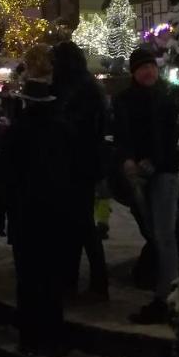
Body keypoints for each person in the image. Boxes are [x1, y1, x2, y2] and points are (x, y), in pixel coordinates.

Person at [0, 47, 82, 357]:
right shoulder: (64, 130)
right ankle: (53, 335)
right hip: (55, 212)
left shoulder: (17, 132)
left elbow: (5, 175)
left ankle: (31, 337)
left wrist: (0, 211)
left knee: (28, 278)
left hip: (25, 213)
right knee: (51, 277)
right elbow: (74, 173)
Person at [112, 46, 179, 324]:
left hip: (164, 172)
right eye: (142, 67)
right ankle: (165, 290)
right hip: (138, 175)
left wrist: (154, 160)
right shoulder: (124, 100)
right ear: (134, 72)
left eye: (151, 66)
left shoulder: (168, 98)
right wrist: (127, 159)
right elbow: (120, 134)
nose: (148, 71)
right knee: (154, 233)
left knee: (164, 235)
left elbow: (174, 137)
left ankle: (168, 298)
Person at [52, 40, 110, 299]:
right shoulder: (86, 85)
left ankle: (91, 283)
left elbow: (77, 127)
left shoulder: (75, 88)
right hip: (84, 163)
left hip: (77, 163)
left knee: (81, 226)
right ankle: (76, 281)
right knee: (78, 225)